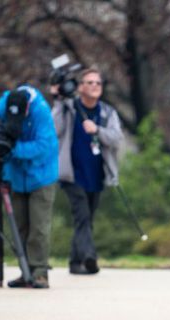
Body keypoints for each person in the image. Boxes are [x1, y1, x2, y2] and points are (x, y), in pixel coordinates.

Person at [0, 84, 59, 289]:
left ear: (27, 109)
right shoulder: (2, 103)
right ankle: (25, 272)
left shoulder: (41, 111)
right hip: (15, 175)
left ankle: (39, 273)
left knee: (39, 227)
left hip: (42, 175)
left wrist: (12, 150)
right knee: (19, 226)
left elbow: (44, 146)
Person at [51, 68, 123, 275]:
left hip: (97, 174)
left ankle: (74, 263)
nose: (94, 86)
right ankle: (89, 257)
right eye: (89, 82)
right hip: (72, 174)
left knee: (86, 220)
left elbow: (117, 139)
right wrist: (57, 100)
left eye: (98, 83)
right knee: (82, 216)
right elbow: (54, 129)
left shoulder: (107, 112)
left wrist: (98, 130)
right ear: (80, 87)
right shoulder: (68, 108)